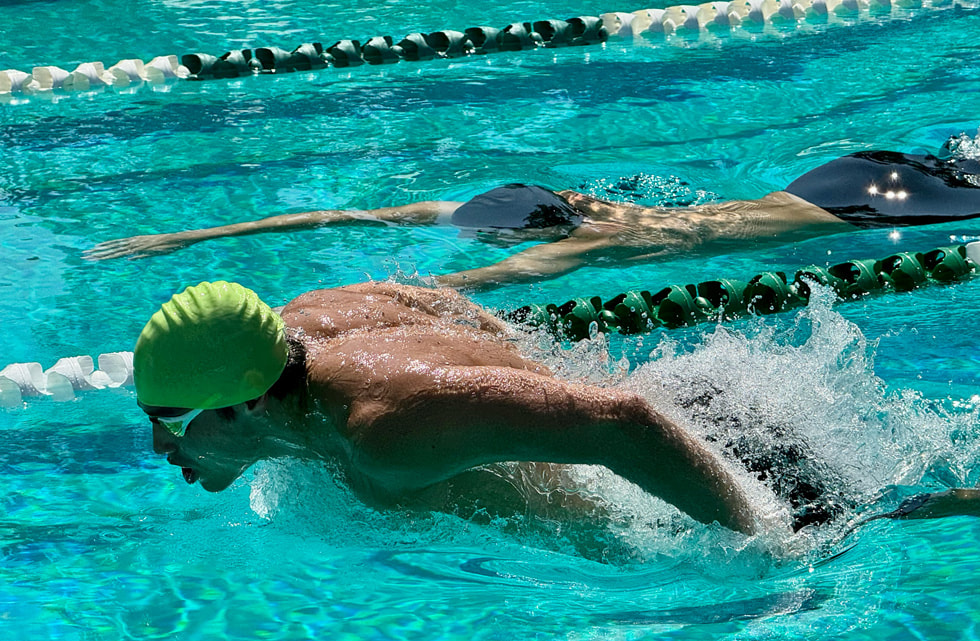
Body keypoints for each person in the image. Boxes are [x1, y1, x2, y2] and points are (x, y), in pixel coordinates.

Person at [136, 280, 980, 535]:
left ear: (243, 406)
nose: (158, 444)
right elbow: (430, 299)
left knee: (898, 518)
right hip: (689, 402)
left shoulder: (380, 434)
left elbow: (623, 426)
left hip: (696, 469)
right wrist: (529, 381)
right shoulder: (302, 320)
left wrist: (762, 539)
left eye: (169, 421)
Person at [88, 150, 980, 289]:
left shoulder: (592, 238)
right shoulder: (528, 208)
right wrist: (192, 235)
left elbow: (480, 282)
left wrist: (359, 301)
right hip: (831, 177)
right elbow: (337, 211)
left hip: (849, 204)